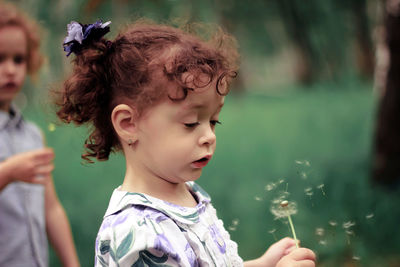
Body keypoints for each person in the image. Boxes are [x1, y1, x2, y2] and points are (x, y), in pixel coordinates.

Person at [56, 18, 316, 267]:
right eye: (191, 123)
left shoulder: (187, 192)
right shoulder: (140, 235)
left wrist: (262, 264)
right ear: (128, 123)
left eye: (214, 121)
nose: (209, 136)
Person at [0, 2, 80, 267]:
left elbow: (51, 208)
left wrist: (71, 262)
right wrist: (7, 173)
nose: (10, 69)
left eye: (18, 59)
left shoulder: (32, 136)